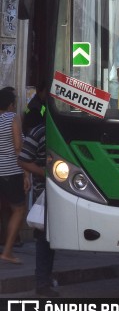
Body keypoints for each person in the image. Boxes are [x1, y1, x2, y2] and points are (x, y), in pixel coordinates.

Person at [18, 119, 56, 296]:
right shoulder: (39, 132)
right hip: (45, 192)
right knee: (45, 238)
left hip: (63, 191)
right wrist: (46, 174)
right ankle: (42, 281)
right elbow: (24, 160)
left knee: (50, 238)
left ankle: (45, 278)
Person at [0, 86, 27, 264]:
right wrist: (27, 173)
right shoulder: (12, 118)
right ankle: (7, 251)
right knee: (18, 209)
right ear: (11, 104)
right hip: (11, 170)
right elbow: (18, 147)